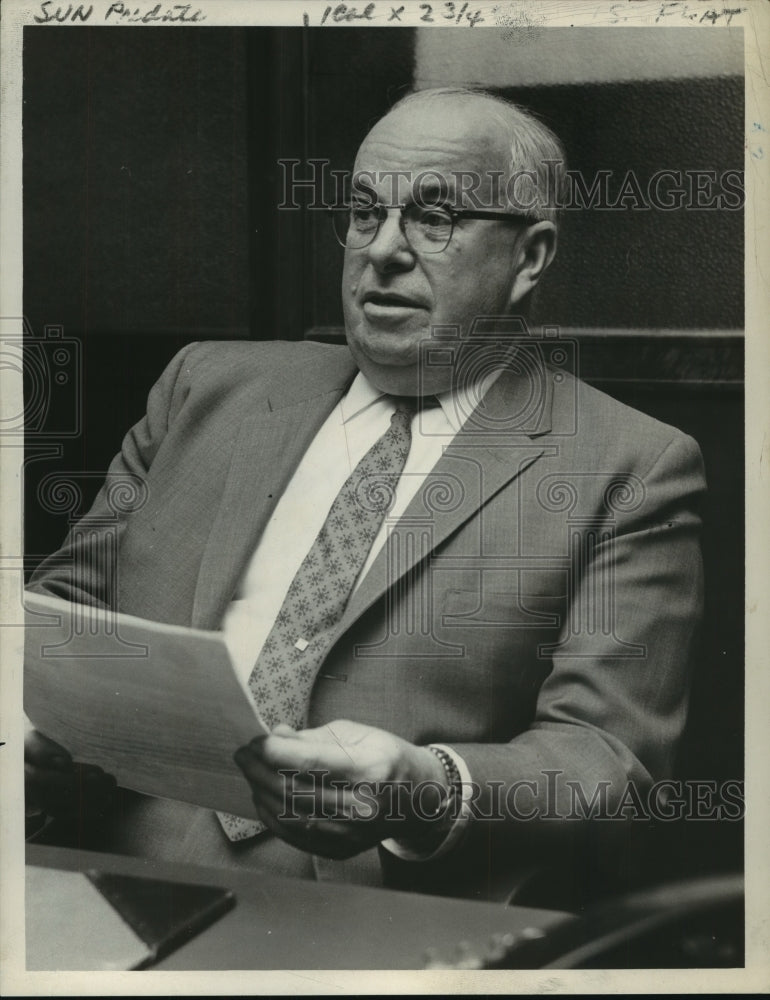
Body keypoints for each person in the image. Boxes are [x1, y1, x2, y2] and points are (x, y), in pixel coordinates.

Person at [24, 87, 705, 898]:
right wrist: (29, 724)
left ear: (529, 258)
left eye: (435, 216)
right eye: (362, 211)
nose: (382, 250)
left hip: (367, 912)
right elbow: (66, 604)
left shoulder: (630, 466)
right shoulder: (205, 386)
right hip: (88, 859)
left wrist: (426, 788)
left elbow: (607, 765)